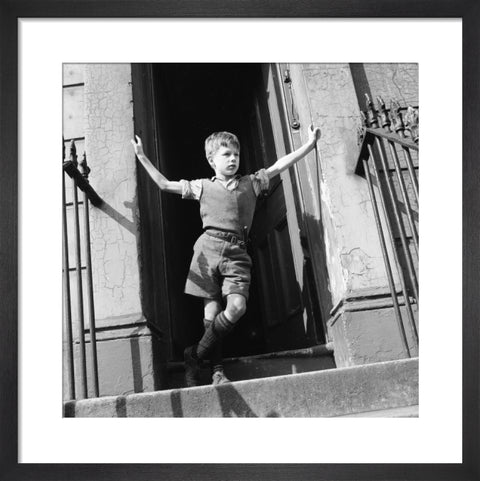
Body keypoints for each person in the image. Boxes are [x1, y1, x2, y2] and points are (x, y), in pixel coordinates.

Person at [131, 124, 321, 387]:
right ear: (211, 160)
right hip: (207, 251)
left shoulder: (252, 183)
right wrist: (141, 156)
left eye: (236, 155)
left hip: (237, 254)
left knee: (237, 307)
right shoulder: (201, 187)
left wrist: (309, 145)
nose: (232, 159)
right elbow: (164, 184)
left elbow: (281, 164)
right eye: (226, 155)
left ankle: (194, 355)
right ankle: (217, 372)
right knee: (211, 312)